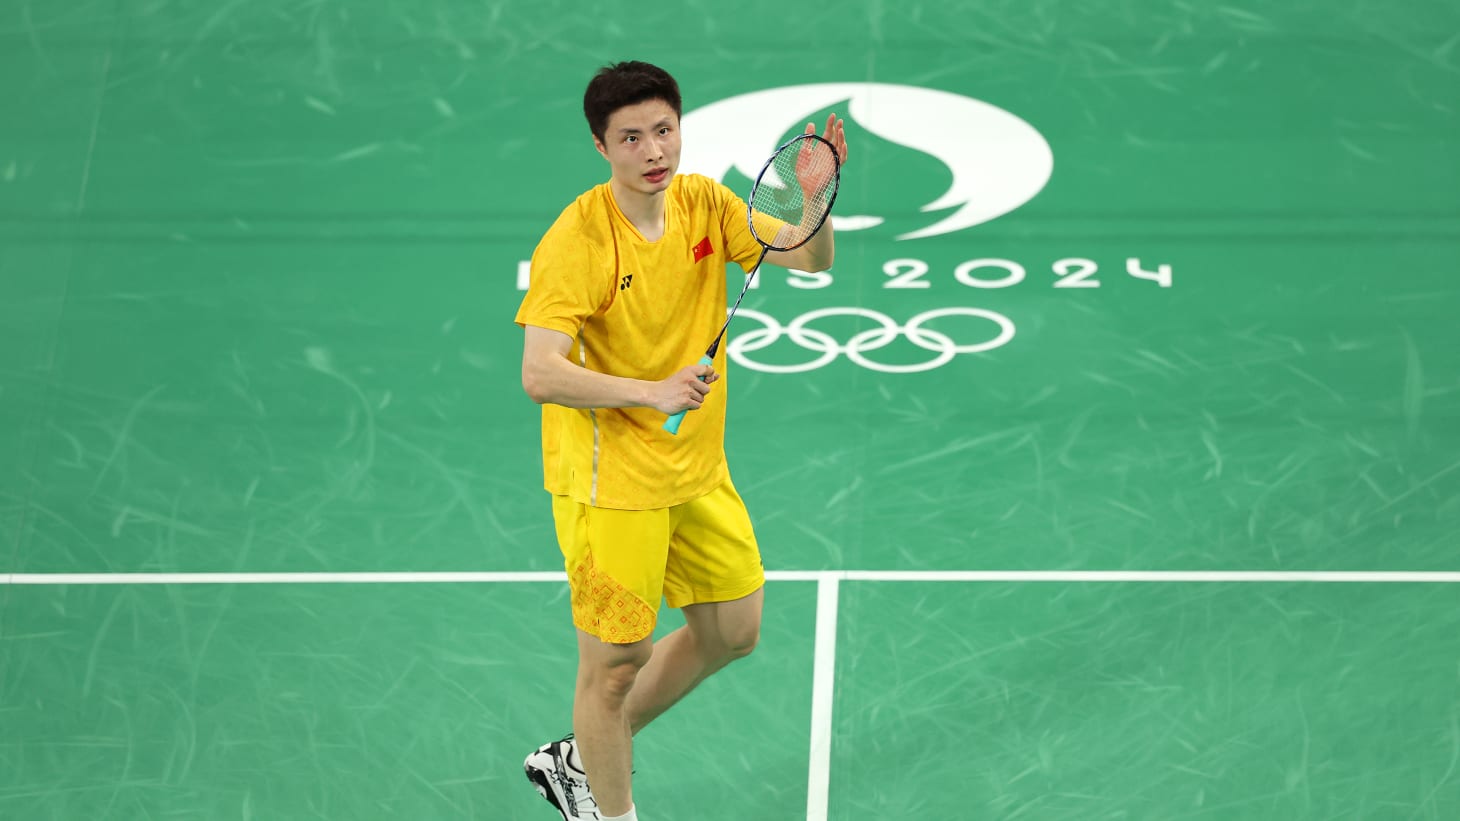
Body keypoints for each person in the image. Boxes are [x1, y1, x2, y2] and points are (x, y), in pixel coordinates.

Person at [514, 60, 847, 821]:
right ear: (602, 147)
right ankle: (611, 807)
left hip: (694, 468)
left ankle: (579, 759)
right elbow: (539, 372)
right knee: (614, 668)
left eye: (663, 129)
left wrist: (814, 201)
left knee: (733, 630)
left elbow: (807, 257)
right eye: (631, 137)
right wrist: (651, 391)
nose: (654, 150)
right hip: (613, 483)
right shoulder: (579, 239)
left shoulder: (704, 203)